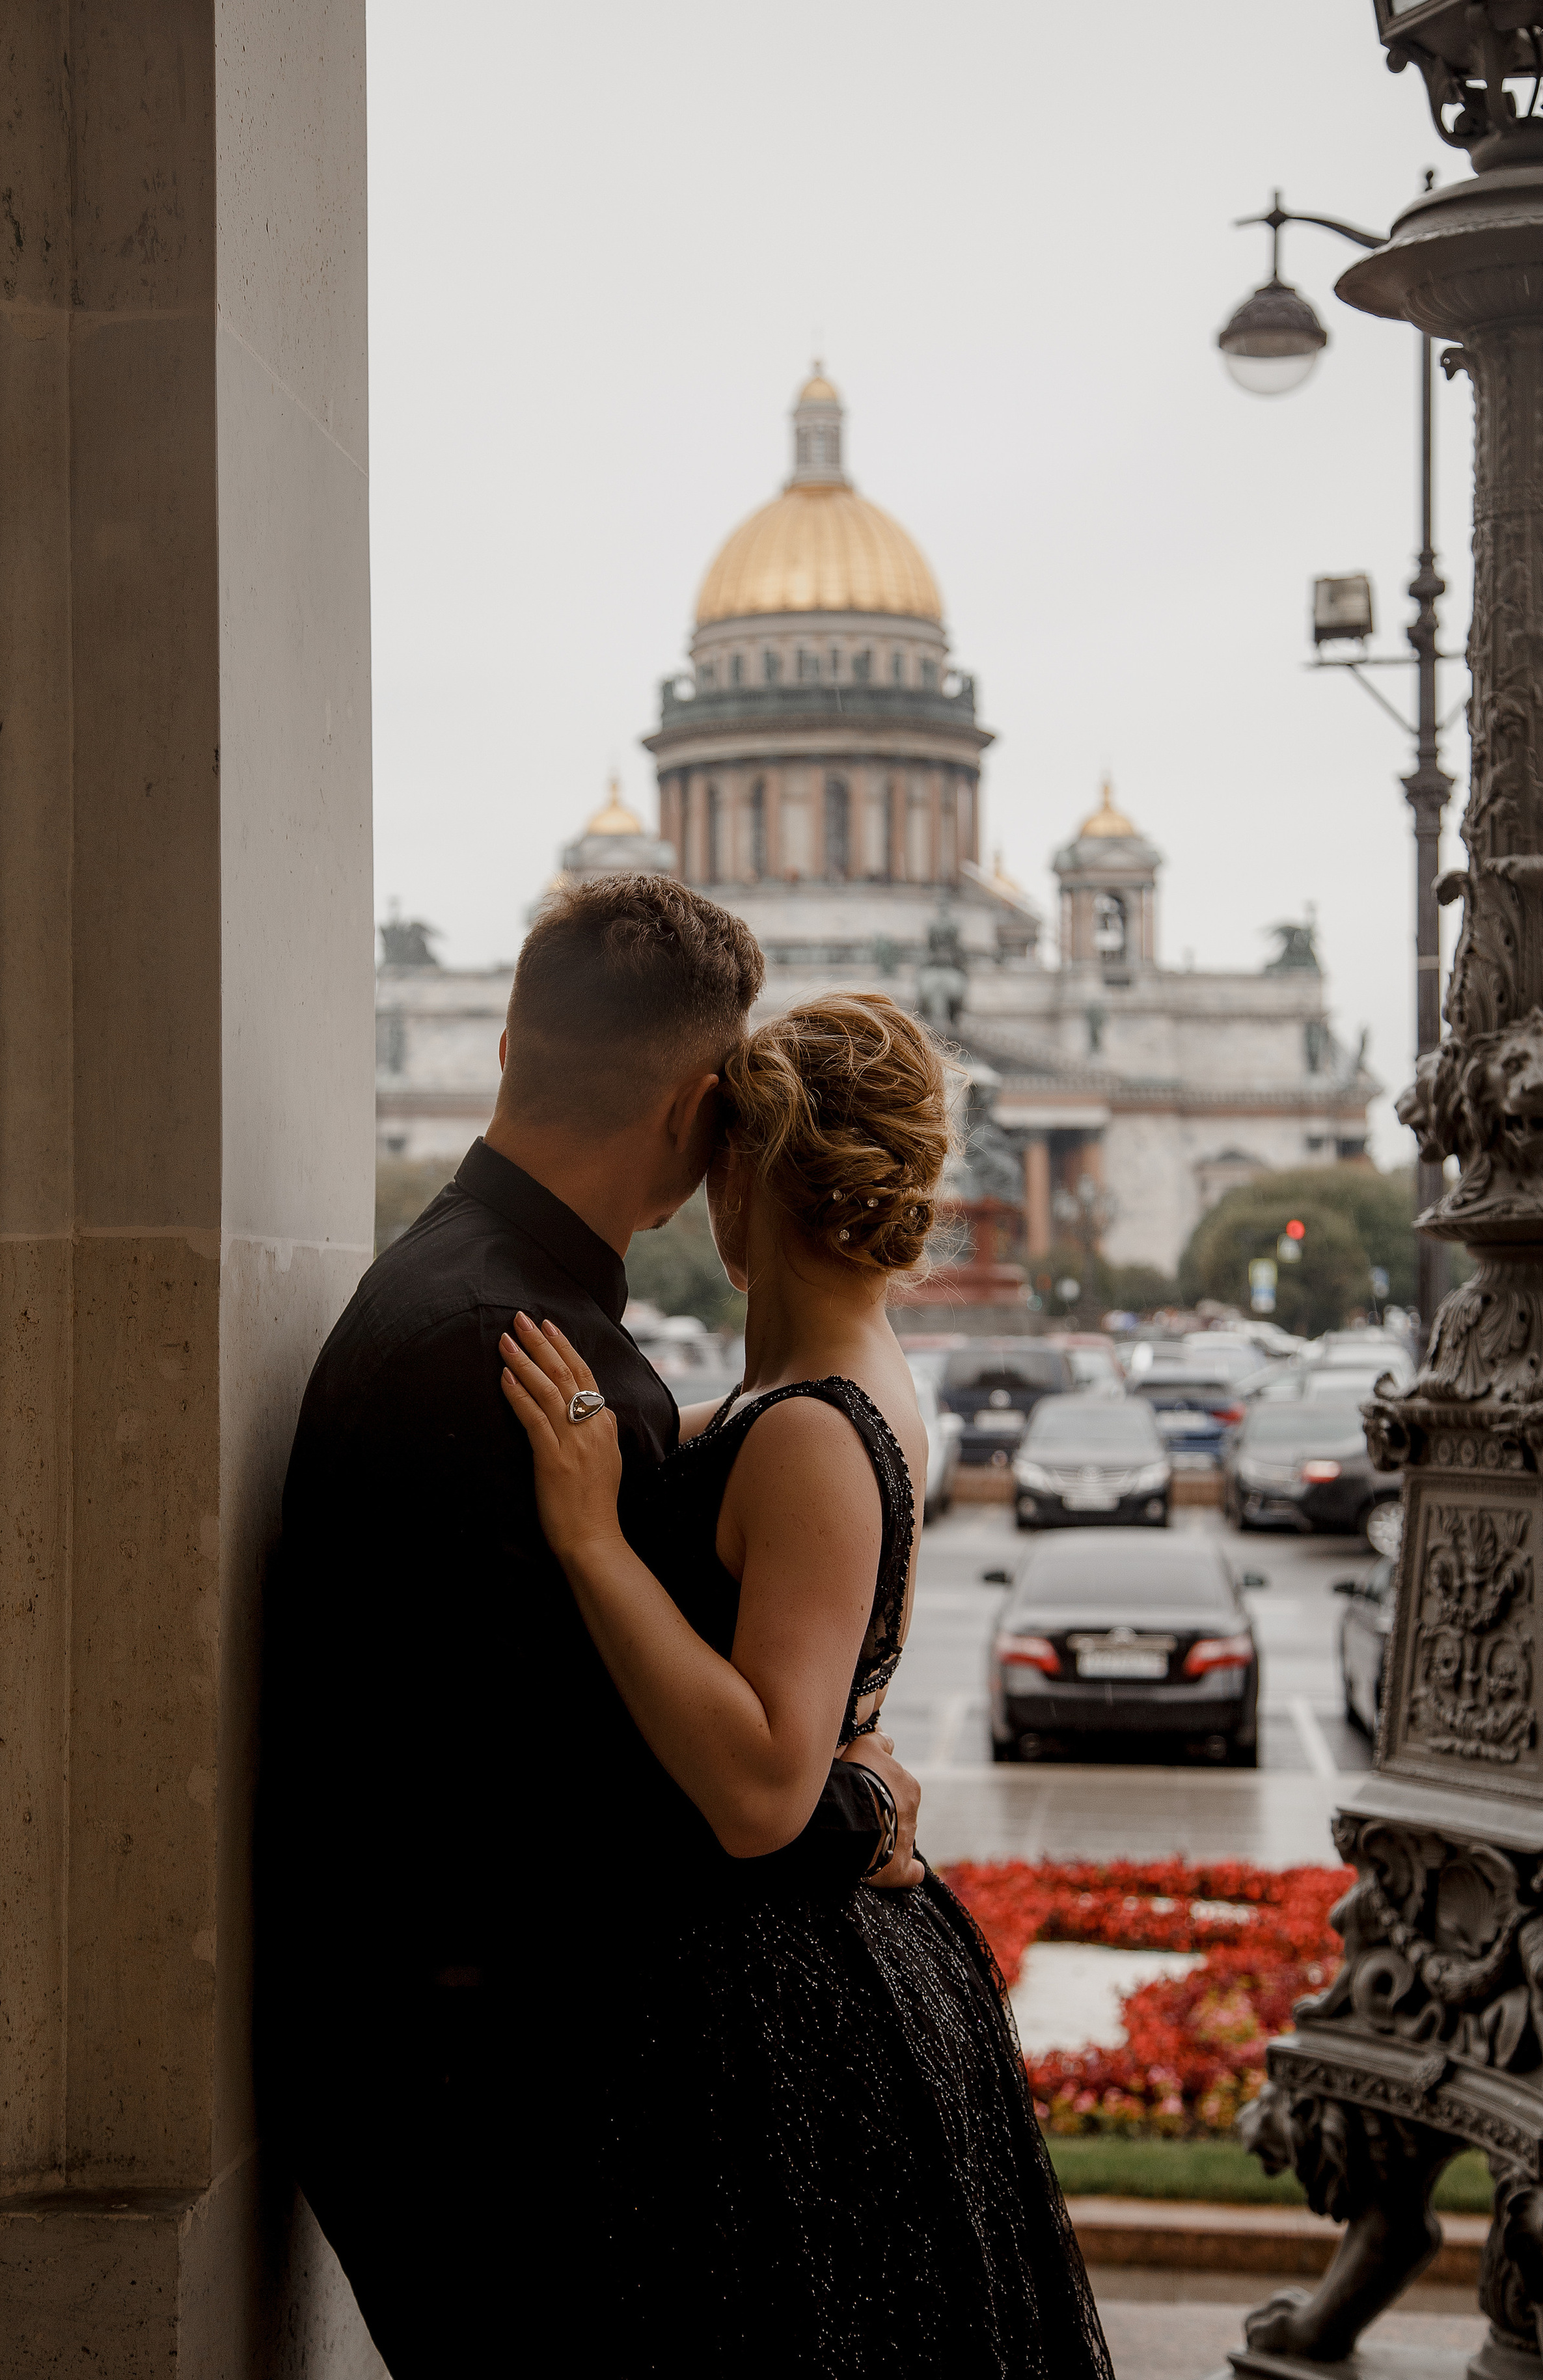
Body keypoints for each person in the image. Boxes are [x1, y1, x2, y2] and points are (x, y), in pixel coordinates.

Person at [258, 876, 920, 2376]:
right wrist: (855, 1802)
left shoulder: (475, 1305)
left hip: (446, 2055)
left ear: (504, 1047)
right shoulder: (529, 1354)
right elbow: (605, 1799)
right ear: (701, 1117)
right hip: (489, 2083)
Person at [498, 992, 1115, 2377]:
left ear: (753, 1176)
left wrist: (593, 1540)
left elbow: (762, 1795)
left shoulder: (810, 1429)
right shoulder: (837, 1390)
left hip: (761, 1999)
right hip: (832, 1960)